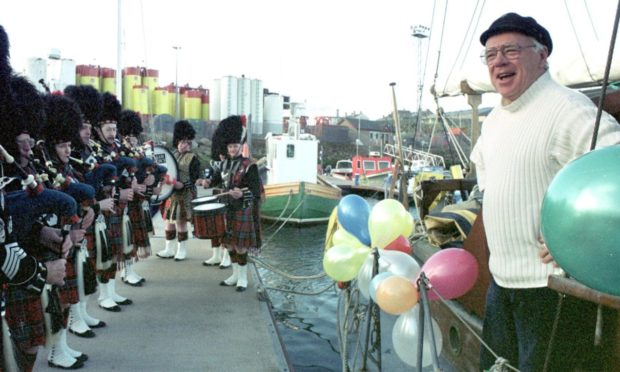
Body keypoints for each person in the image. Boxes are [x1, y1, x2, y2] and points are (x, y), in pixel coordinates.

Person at [471, 13, 620, 371]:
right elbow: (489, 186)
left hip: (553, 293)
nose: (499, 62)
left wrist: (579, 241)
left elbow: (613, 177)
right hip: (501, 284)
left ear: (542, 54)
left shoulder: (568, 109)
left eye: (510, 50)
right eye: (490, 55)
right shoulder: (493, 120)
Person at [203, 115, 262, 292]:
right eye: (230, 146)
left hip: (241, 209)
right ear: (226, 148)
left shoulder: (249, 165)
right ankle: (235, 275)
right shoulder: (223, 165)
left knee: (240, 245)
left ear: (240, 146)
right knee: (228, 243)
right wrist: (206, 183)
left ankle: (243, 278)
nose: (233, 149)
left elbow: (255, 190)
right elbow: (215, 181)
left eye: (236, 146)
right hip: (225, 209)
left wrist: (241, 193)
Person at [157, 120, 202, 261]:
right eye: (182, 142)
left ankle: (181, 250)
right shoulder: (172, 155)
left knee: (181, 222)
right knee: (168, 221)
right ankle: (169, 248)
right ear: (177, 141)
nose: (185, 145)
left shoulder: (194, 158)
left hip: (184, 194)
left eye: (188, 143)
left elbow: (195, 179)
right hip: (171, 193)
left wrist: (180, 185)